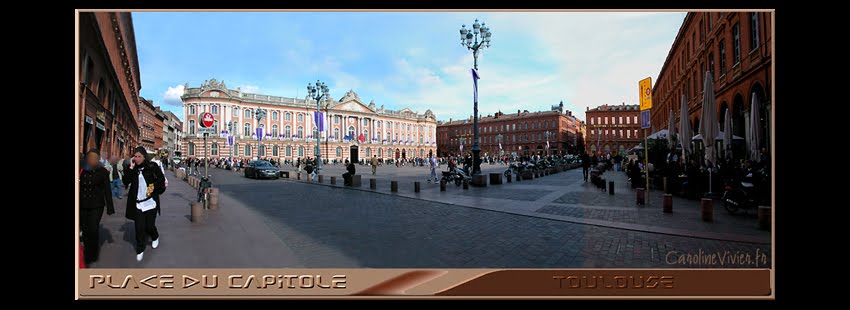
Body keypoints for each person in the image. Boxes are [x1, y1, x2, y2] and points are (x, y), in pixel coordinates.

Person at [122, 146, 167, 262]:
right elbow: (126, 181)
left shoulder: (152, 167)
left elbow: (161, 180)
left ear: (144, 157)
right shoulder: (132, 169)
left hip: (150, 202)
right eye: (135, 156)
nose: (137, 159)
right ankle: (140, 249)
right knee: (139, 228)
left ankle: (155, 236)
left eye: (139, 157)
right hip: (138, 204)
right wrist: (131, 168)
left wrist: (154, 187)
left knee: (149, 226)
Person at [80, 148, 115, 266]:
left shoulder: (102, 172)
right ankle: (86, 250)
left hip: (96, 205)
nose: (92, 160)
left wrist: (110, 207)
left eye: (95, 158)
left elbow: (107, 190)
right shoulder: (81, 170)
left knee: (93, 229)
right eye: (90, 158)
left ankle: (92, 254)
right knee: (85, 229)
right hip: (82, 204)